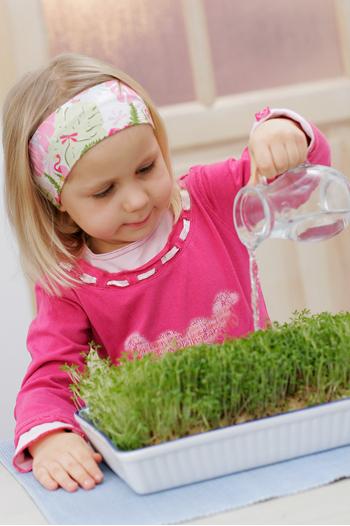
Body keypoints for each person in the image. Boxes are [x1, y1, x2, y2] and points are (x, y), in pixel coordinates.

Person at [2, 53, 330, 493]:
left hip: (267, 425)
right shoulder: (70, 282)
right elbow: (50, 376)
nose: (136, 200)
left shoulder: (209, 198)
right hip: (175, 457)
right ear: (60, 209)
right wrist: (50, 437)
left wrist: (284, 134)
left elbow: (301, 185)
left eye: (146, 168)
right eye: (104, 191)